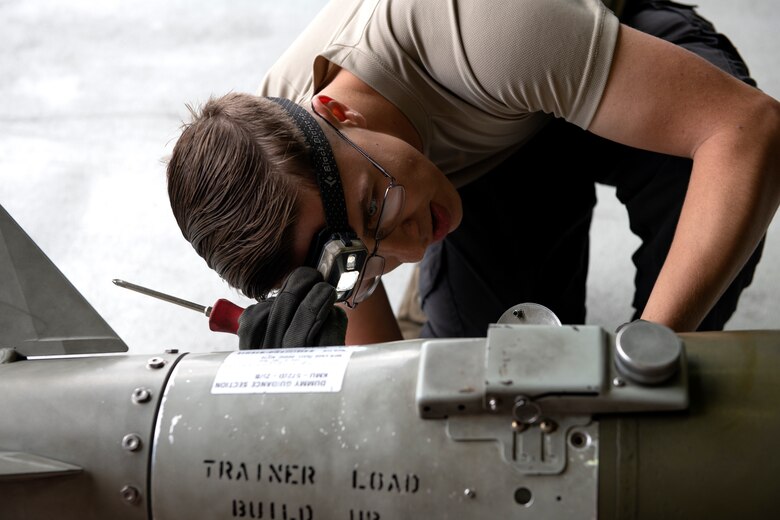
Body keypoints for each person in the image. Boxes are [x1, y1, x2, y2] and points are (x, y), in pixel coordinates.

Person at [166, 0, 780, 348]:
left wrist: (652, 349)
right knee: (492, 371)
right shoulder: (301, 177)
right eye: (358, 264)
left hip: (596, 50)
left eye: (376, 206)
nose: (405, 246)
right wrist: (323, 386)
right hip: (492, 158)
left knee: (706, 186)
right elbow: (383, 367)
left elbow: (750, 128)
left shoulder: (480, 26)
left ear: (336, 110)